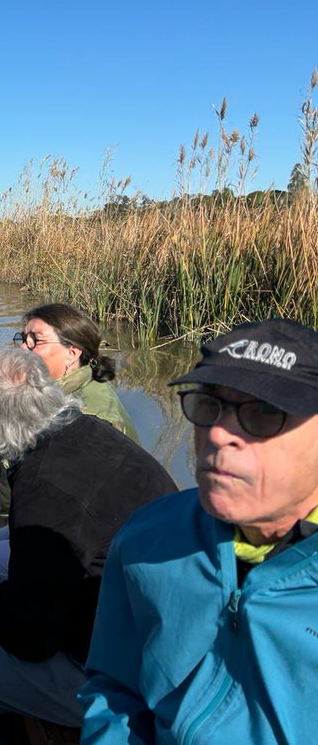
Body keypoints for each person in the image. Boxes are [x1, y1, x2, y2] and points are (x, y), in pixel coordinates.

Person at [0, 349, 176, 745]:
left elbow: (33, 638)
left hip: (119, 677)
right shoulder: (85, 430)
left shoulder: (46, 486)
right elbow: (47, 579)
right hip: (103, 620)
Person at [80, 318, 318, 744]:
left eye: (264, 412)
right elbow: (116, 688)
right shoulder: (147, 537)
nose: (219, 433)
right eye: (209, 404)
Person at [0, 303, 141, 584]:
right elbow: (8, 464)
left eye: (34, 340)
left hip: (71, 540)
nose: (23, 348)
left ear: (72, 353)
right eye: (22, 338)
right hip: (17, 510)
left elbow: (68, 511)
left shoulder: (94, 413)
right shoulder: (42, 392)